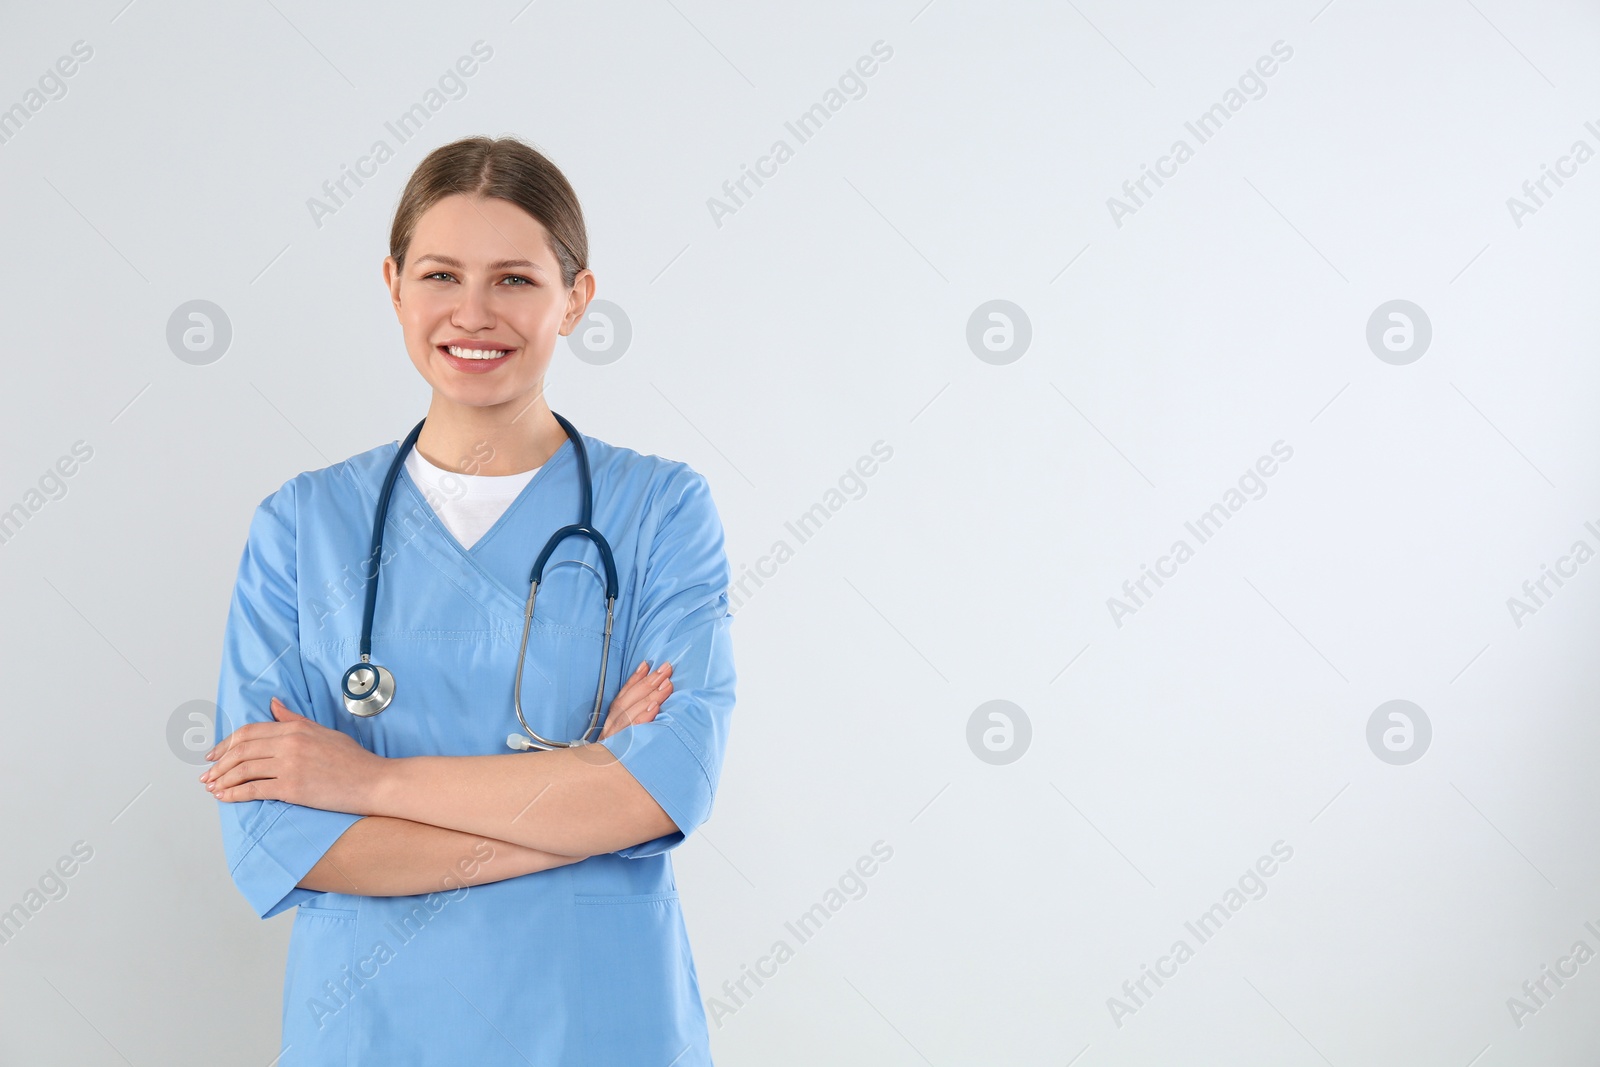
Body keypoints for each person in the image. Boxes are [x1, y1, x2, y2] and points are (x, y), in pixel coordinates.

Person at [199, 135, 735, 1065]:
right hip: (371, 1026)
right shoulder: (301, 524)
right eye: (442, 273)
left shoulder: (660, 510)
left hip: (597, 1023)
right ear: (394, 284)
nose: (473, 313)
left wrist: (366, 783)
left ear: (576, 298)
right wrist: (581, 800)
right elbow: (278, 835)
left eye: (516, 280)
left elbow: (665, 786)